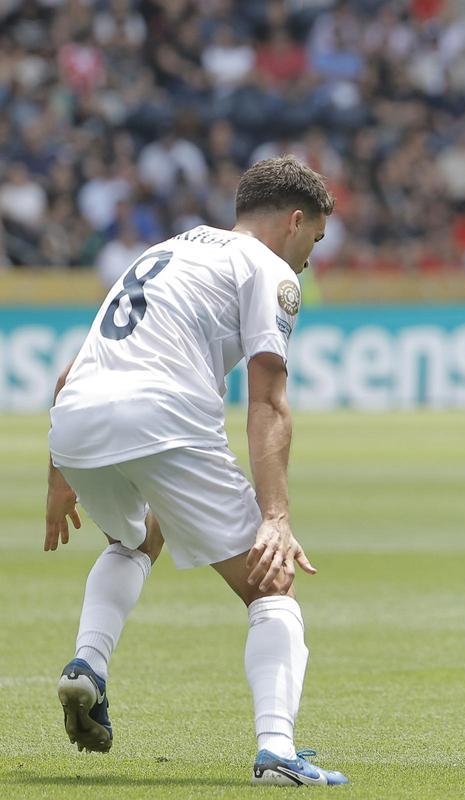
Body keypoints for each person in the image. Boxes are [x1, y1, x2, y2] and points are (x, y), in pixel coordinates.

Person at [44, 156, 348, 786]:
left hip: (75, 423)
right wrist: (276, 516)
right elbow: (268, 401)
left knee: (135, 538)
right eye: (315, 240)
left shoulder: (166, 249)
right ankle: (277, 752)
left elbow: (69, 374)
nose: (308, 259)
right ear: (295, 221)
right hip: (164, 419)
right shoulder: (269, 269)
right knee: (271, 588)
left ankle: (87, 664)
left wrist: (58, 478)